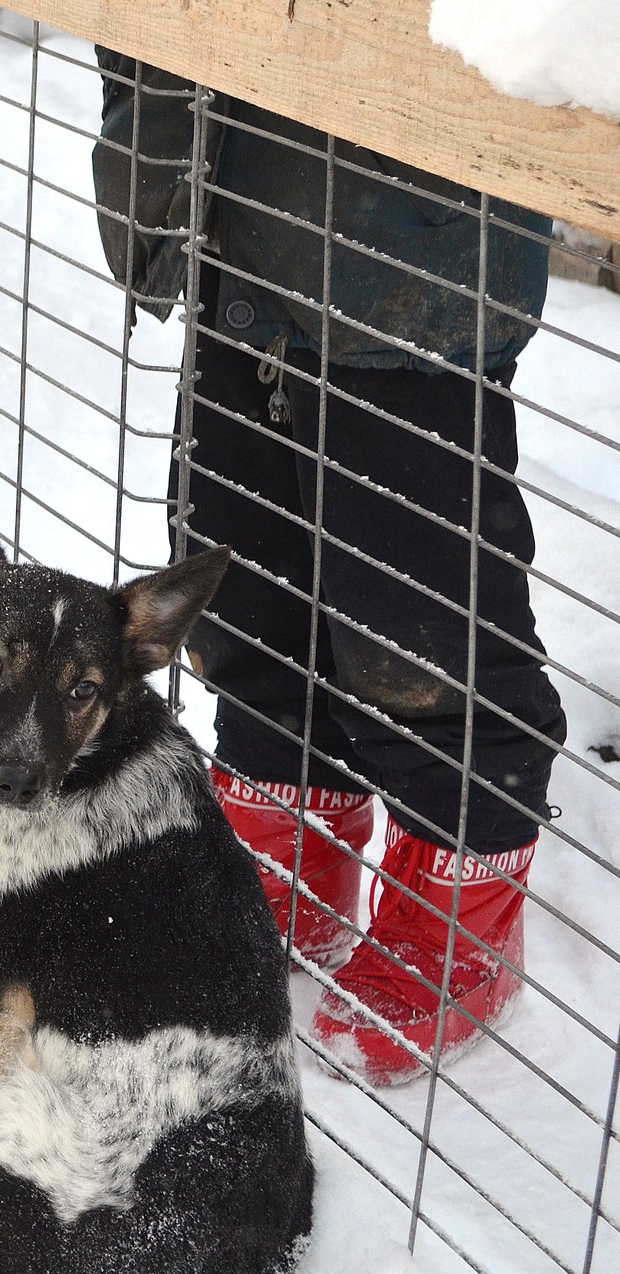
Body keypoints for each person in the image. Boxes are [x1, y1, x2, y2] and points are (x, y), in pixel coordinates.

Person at [92, 54, 566, 1086]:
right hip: (241, 228)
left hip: (407, 267)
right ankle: (285, 856)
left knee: (414, 629)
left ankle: (459, 921)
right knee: (240, 595)